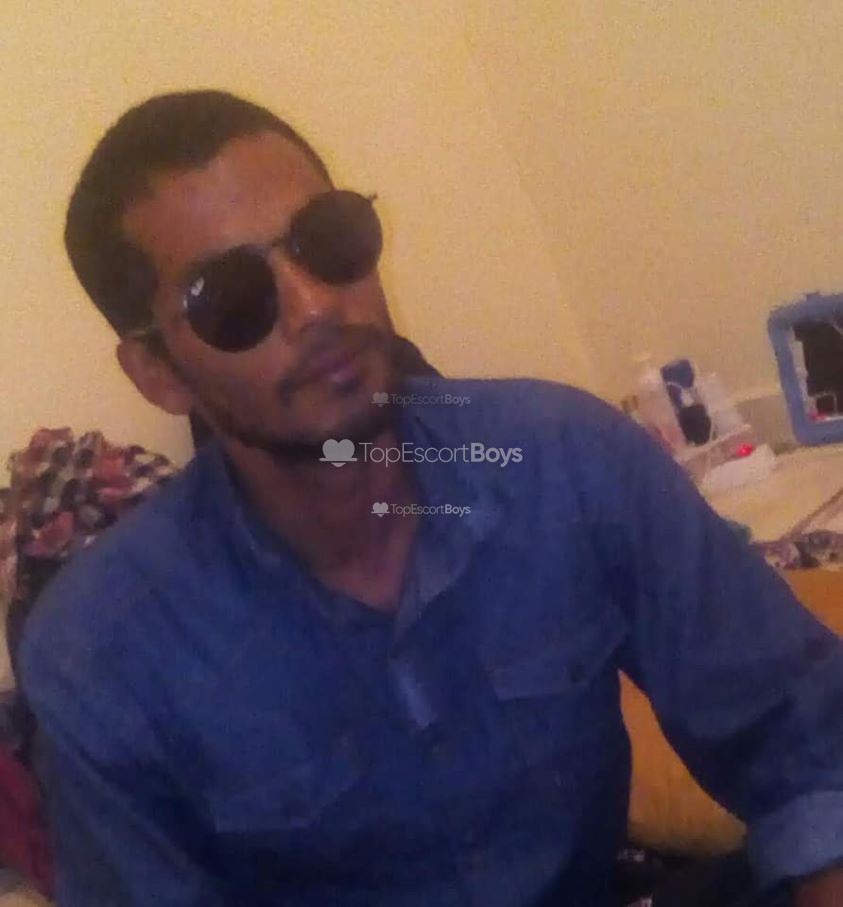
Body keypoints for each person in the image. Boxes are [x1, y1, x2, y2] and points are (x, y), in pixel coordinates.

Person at [20, 90, 843, 906]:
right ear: (157, 373)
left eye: (328, 240)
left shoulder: (565, 457)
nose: (315, 304)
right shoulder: (102, 652)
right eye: (231, 297)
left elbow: (801, 740)